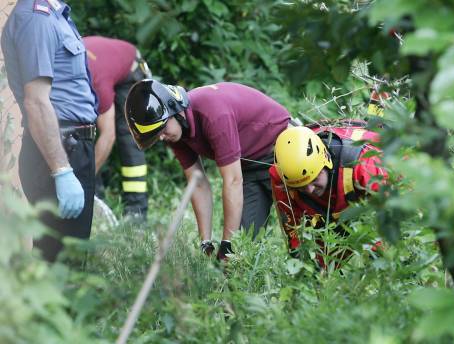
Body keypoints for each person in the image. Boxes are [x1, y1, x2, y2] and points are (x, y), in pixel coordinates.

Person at [124, 80, 290, 260]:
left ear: (175, 110)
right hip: (249, 167)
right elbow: (198, 183)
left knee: (303, 235)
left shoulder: (213, 113)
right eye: (157, 135)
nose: (162, 138)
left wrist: (226, 244)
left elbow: (233, 181)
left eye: (162, 130)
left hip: (282, 152)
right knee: (239, 255)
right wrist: (206, 242)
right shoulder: (178, 133)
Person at [1, 0, 97, 262]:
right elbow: (36, 101)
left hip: (71, 145)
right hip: (59, 149)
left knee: (68, 258)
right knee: (62, 262)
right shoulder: (37, 18)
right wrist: (62, 170)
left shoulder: (55, 14)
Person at [270, 123, 387, 269]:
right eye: (301, 187)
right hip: (330, 212)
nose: (310, 190)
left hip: (374, 195)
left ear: (325, 161)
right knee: (322, 269)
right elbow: (293, 230)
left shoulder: (364, 165)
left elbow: (391, 218)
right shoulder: (285, 176)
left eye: (314, 180)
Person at [83, 36, 151, 220]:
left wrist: (83, 180)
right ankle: (95, 199)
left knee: (127, 135)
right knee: (83, 134)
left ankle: (136, 211)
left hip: (131, 69)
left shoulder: (97, 82)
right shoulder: (65, 72)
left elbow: (108, 135)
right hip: (105, 65)